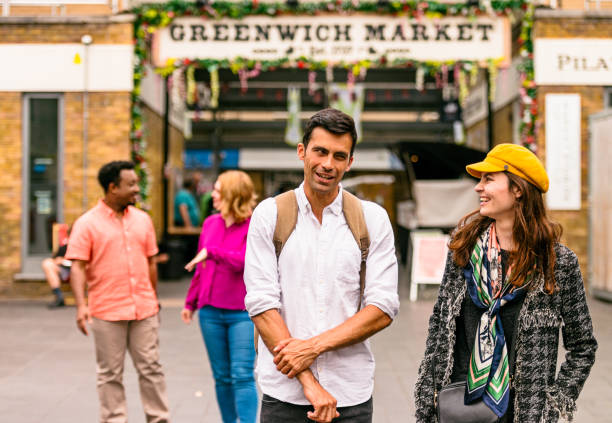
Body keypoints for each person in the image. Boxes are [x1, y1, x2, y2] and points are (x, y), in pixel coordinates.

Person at [414, 144, 598, 422]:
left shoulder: (556, 263)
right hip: (459, 405)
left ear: (518, 189)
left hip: (524, 412)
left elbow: (583, 346)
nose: (479, 188)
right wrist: (428, 401)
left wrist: (554, 405)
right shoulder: (463, 251)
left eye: (489, 179)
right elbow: (438, 330)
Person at [244, 108, 400, 423]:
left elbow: (382, 307)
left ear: (350, 162)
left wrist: (313, 347)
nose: (328, 164)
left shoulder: (371, 219)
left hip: (350, 394)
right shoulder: (269, 215)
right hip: (284, 395)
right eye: (320, 151)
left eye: (339, 156)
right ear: (302, 152)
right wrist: (309, 383)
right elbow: (262, 305)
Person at [65, 161, 170, 423]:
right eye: (131, 184)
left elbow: (151, 263)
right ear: (113, 187)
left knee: (151, 369)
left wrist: (153, 300)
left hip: (143, 309)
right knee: (110, 374)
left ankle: (159, 419)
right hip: (107, 310)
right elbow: (77, 267)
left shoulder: (143, 220)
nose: (137, 189)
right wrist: (81, 306)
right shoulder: (87, 223)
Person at [181, 170, 258, 423]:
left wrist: (212, 252)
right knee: (222, 377)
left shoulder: (253, 226)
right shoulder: (210, 224)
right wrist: (191, 302)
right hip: (209, 312)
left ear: (232, 193)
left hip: (241, 313)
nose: (212, 194)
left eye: (217, 189)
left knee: (242, 374)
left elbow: (244, 261)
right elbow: (200, 267)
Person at [42, 241, 71, 308]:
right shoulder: (65, 247)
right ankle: (59, 297)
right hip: (65, 271)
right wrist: (61, 261)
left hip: (82, 271)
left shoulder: (84, 247)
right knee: (47, 263)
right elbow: (56, 260)